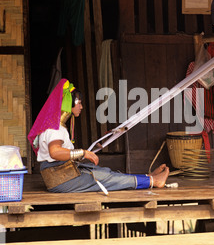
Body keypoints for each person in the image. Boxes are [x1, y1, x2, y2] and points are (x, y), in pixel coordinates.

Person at [28, 78, 169, 193]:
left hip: (64, 175)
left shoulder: (54, 126)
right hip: (61, 180)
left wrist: (84, 154)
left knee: (104, 172)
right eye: (79, 103)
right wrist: (83, 153)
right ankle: (152, 181)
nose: (81, 107)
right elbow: (55, 152)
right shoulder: (55, 128)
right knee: (106, 177)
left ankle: (147, 178)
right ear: (68, 103)